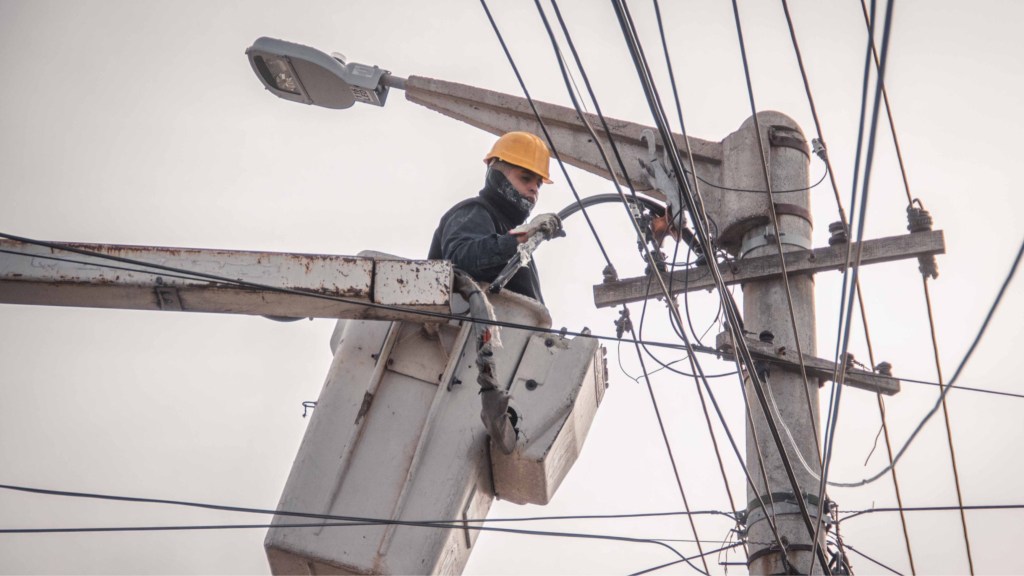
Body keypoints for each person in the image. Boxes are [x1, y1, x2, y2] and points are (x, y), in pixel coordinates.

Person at [429, 131, 562, 302]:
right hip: (470, 325)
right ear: (497, 173)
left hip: (508, 325)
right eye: (525, 178)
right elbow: (459, 262)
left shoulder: (510, 232)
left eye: (538, 184)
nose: (534, 188)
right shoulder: (474, 211)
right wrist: (518, 239)